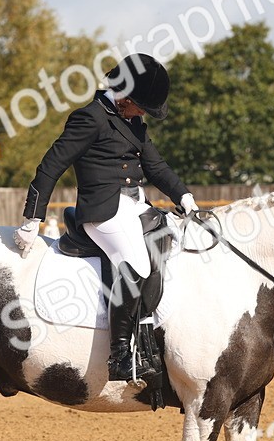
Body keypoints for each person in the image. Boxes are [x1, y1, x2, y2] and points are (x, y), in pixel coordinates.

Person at [14, 54, 196, 381]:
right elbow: (51, 166)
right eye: (141, 106)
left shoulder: (134, 123)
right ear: (124, 96)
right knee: (136, 262)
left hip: (135, 206)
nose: (144, 114)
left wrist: (184, 196)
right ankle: (121, 354)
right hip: (103, 211)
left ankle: (152, 337)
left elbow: (156, 167)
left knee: (174, 242)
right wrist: (32, 219)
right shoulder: (90, 118)